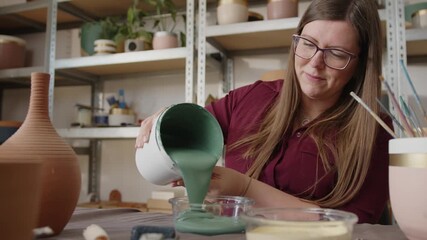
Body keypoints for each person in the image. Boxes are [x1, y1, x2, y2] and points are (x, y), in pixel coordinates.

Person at [135, 0, 393, 224]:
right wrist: (164, 118)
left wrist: (244, 188)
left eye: (336, 54)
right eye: (307, 44)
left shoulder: (375, 132)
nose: (315, 63)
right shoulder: (251, 98)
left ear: (360, 64)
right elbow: (187, 132)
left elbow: (354, 225)